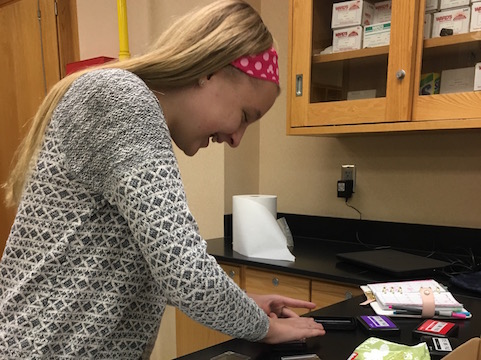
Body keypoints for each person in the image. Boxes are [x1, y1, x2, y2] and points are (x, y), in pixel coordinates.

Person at [0, 0, 325, 358]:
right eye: (245, 115)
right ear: (210, 71)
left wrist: (244, 303)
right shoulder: (120, 99)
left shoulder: (135, 113)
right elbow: (186, 274)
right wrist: (264, 327)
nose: (236, 138)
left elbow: (149, 266)